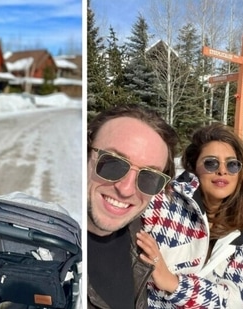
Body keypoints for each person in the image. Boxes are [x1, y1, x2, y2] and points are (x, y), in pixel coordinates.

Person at [138, 122, 243, 308]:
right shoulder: (163, 203)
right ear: (193, 167)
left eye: (232, 165)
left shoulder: (240, 234)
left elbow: (235, 301)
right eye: (211, 163)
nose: (222, 170)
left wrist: (174, 283)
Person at [87, 104, 179, 309]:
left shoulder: (140, 239)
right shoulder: (40, 243)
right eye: (112, 163)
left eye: (149, 177)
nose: (126, 189)